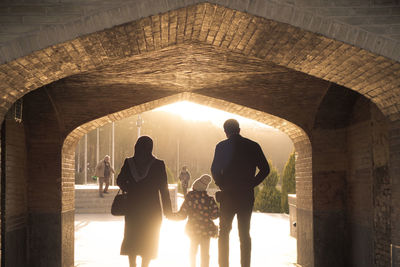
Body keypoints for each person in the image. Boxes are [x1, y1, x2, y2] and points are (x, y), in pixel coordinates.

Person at [211, 119, 270, 267]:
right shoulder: (253, 145)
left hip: (228, 195)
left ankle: (223, 265)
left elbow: (215, 170)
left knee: (224, 233)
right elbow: (265, 169)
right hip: (245, 195)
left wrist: (222, 185)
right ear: (239, 129)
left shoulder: (221, 146)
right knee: (244, 234)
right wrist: (251, 184)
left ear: (225, 131)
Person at [116, 136, 173, 267]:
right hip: (152, 209)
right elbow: (164, 190)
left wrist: (129, 188)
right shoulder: (158, 164)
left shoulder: (129, 163)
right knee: (149, 237)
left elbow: (119, 180)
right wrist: (168, 211)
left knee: (132, 236)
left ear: (136, 146)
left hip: (133, 207)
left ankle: (132, 264)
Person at [172, 174, 219, 267]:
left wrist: (171, 216)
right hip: (206, 230)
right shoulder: (209, 199)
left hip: (193, 230)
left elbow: (182, 214)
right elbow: (215, 215)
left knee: (192, 252)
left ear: (195, 186)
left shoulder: (190, 198)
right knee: (205, 254)